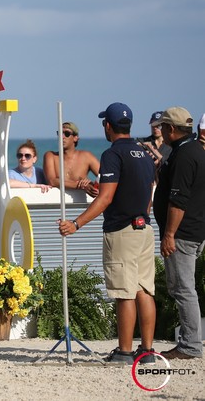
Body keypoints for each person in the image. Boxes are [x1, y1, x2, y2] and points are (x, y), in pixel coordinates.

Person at [58, 103, 156, 365]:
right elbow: (149, 193)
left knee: (124, 292)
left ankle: (124, 351)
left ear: (108, 126)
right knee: (144, 290)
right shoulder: (144, 152)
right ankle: (147, 351)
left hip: (122, 231)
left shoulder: (113, 155)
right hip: (145, 227)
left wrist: (75, 224)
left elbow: (106, 197)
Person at [151, 107, 205, 361]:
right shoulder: (194, 150)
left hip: (182, 233)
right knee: (183, 287)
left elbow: (178, 201)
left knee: (183, 289)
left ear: (171, 129)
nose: (159, 130)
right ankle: (190, 342)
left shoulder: (184, 155)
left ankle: (190, 345)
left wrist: (169, 234)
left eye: (162, 127)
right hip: (193, 229)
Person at [43, 122, 100, 196]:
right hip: (58, 204)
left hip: (81, 204)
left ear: (75, 138)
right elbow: (52, 181)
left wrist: (94, 186)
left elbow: (105, 177)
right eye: (59, 133)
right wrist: (80, 185)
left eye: (67, 133)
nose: (62, 137)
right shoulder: (50, 156)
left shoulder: (87, 156)